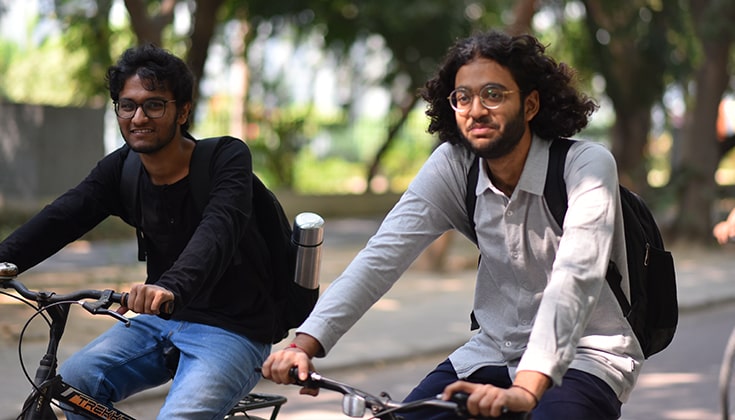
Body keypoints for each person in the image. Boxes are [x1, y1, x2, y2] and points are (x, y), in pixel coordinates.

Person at [262, 30, 642, 420]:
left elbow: (574, 279)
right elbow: (380, 257)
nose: (476, 110)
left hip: (586, 356)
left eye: (493, 94)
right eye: (463, 97)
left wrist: (527, 389)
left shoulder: (586, 166)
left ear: (530, 105)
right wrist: (304, 344)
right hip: (493, 352)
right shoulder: (455, 165)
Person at [0, 44, 279, 419]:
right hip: (160, 321)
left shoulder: (225, 159)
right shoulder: (122, 169)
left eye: (154, 105)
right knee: (75, 384)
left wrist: (171, 286)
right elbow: (60, 218)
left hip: (235, 327)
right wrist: (4, 260)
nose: (138, 117)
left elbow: (218, 230)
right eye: (127, 105)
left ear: (183, 111)